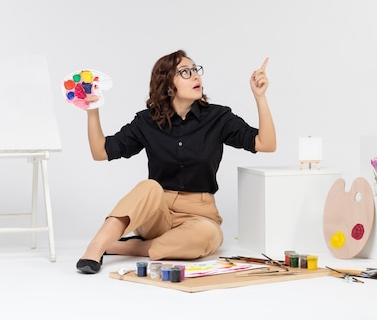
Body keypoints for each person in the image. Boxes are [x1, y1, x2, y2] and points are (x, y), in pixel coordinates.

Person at [76, 49, 276, 274]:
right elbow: (101, 152)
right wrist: (92, 112)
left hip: (199, 215)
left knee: (208, 236)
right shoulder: (146, 121)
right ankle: (95, 247)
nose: (196, 76)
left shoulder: (218, 117)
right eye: (185, 72)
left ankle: (124, 246)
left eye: (196, 70)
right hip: (157, 212)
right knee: (149, 186)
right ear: (168, 85)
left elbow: (266, 144)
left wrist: (260, 97)